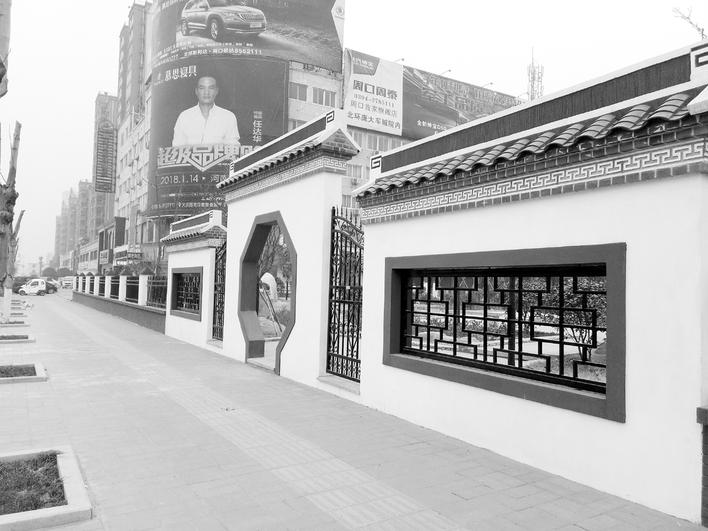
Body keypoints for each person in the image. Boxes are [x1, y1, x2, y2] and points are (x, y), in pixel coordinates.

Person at [172, 75, 240, 146]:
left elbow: (234, 148)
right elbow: (177, 147)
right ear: (196, 91)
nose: (206, 92)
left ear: (216, 91)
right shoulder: (184, 117)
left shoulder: (228, 117)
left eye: (211, 88)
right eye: (202, 88)